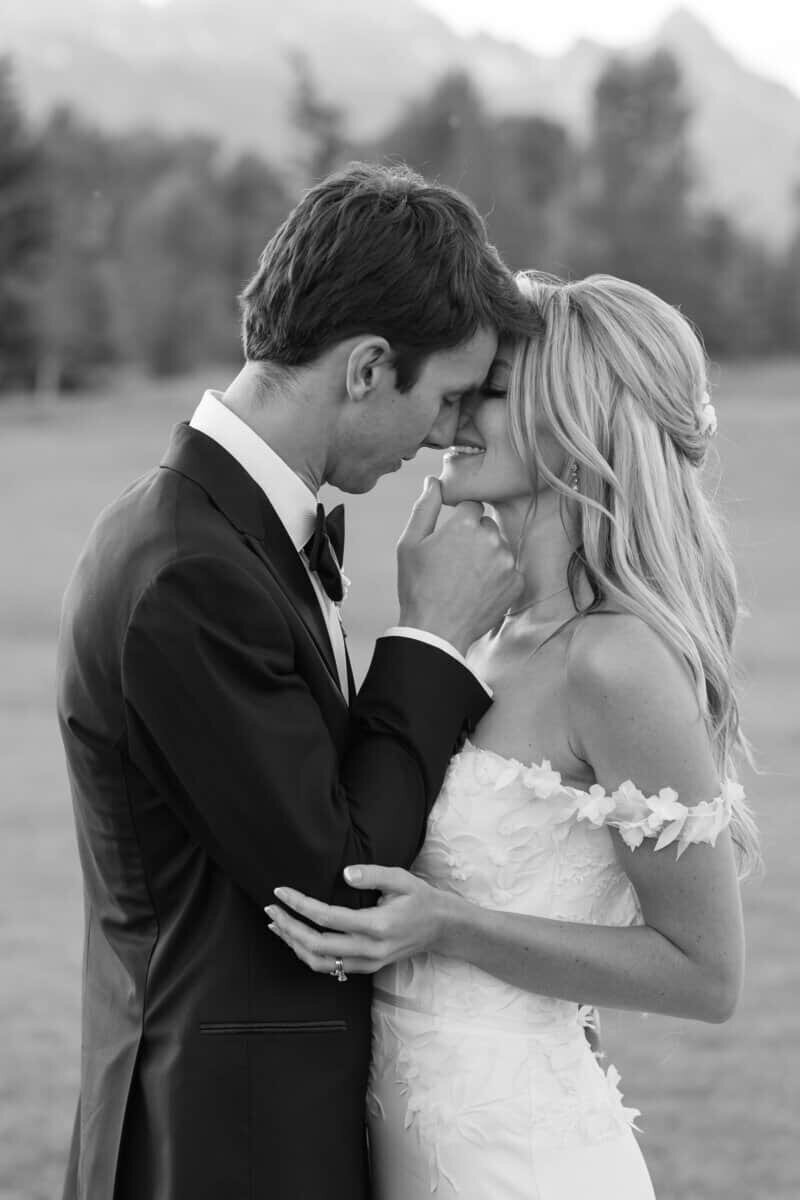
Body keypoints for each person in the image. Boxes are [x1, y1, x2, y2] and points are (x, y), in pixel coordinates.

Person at [56, 163, 536, 1200]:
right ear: (367, 368)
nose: (448, 434)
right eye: (448, 396)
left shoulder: (225, 535)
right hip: (221, 1148)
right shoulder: (189, 572)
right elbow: (336, 882)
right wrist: (432, 639)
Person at [266, 272, 760, 1200]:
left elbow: (705, 973)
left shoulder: (614, 661)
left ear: (574, 424)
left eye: (486, 393)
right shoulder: (490, 635)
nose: (450, 420)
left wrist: (448, 924)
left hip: (521, 1162)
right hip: (403, 1138)